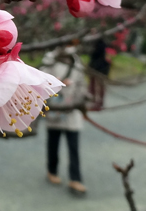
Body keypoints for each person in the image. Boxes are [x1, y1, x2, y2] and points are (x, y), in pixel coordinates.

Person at [41, 47, 88, 194]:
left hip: (72, 109)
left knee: (73, 146)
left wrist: (79, 100)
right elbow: (41, 78)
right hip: (55, 108)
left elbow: (81, 84)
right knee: (53, 143)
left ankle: (76, 178)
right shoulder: (50, 59)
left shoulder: (76, 61)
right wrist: (58, 83)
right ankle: (52, 170)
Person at [88, 38, 111, 110]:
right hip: (99, 69)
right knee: (96, 87)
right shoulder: (99, 45)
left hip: (98, 69)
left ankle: (97, 103)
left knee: (97, 87)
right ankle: (97, 102)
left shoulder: (98, 45)